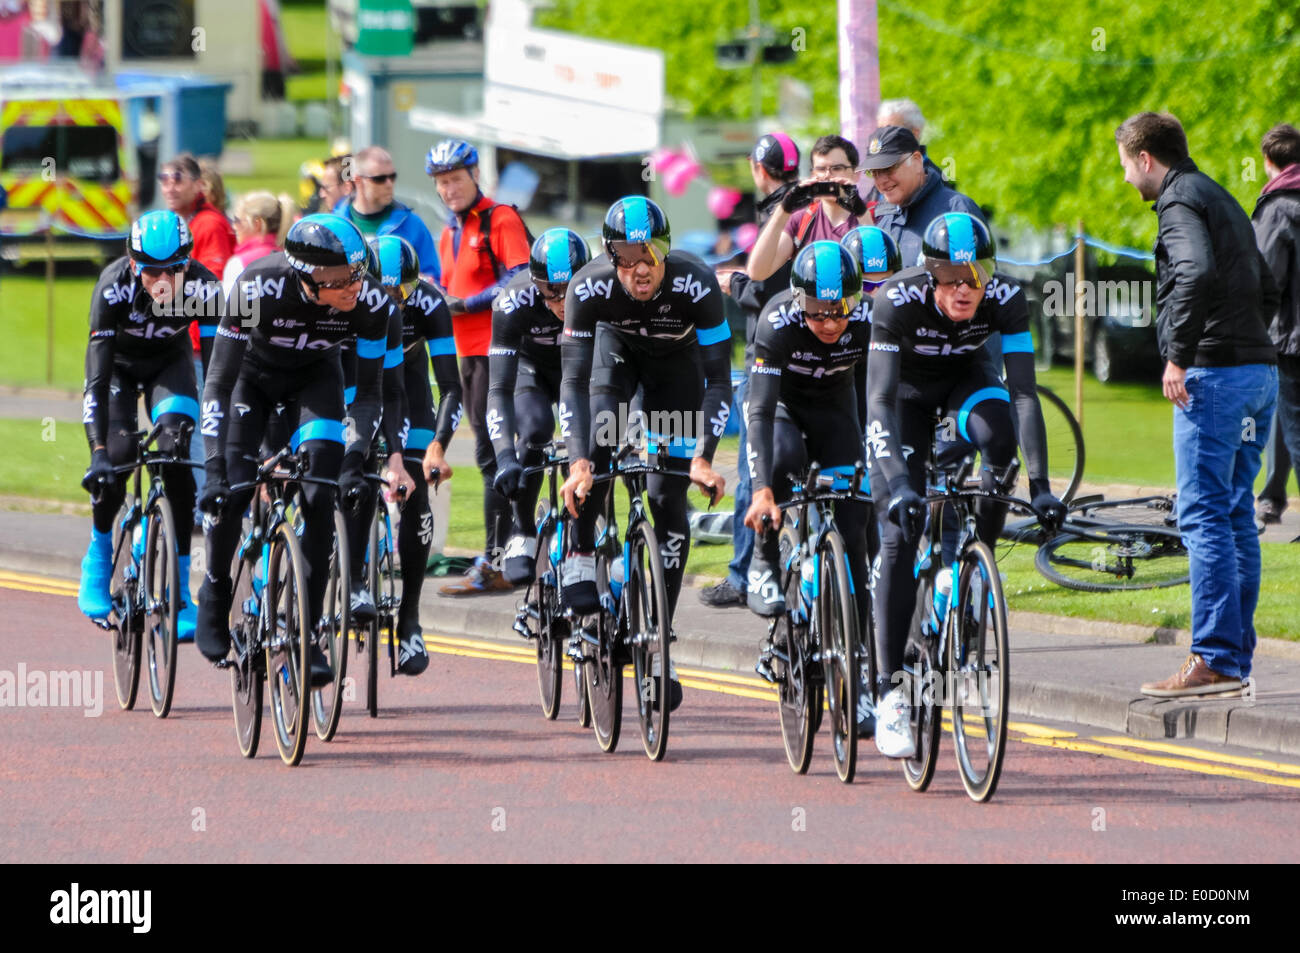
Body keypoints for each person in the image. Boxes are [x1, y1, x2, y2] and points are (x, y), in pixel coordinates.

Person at [866, 213, 1065, 758]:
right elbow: (878, 402)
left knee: (998, 439)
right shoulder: (895, 301)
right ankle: (889, 696)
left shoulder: (1006, 296)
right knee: (897, 533)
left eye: (975, 275)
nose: (965, 288)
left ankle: (977, 558)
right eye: (952, 277)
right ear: (930, 275)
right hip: (902, 396)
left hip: (964, 382)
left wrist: (1042, 485)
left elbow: (1025, 393)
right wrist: (900, 485)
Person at [195, 214, 409, 687]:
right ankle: (214, 588)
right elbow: (218, 382)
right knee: (231, 489)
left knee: (320, 494)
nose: (354, 285)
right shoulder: (258, 288)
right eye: (339, 279)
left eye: (358, 271)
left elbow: (370, 395)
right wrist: (213, 469)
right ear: (306, 276)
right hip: (252, 383)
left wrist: (355, 460)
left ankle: (307, 631)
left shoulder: (372, 303)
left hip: (316, 381)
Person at [1113, 112, 1279, 697]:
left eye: (1127, 167)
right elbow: (1267, 283)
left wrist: (1179, 354)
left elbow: (1195, 270)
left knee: (1203, 514)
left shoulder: (1178, 201)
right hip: (1258, 373)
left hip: (1214, 377)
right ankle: (1233, 660)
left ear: (1146, 159)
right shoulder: (1220, 195)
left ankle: (1211, 657)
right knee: (1235, 514)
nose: (1128, 180)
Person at [558, 196, 731, 711]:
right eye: (627, 257)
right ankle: (583, 555)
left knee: (667, 495)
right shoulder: (586, 288)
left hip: (674, 373)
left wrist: (702, 454)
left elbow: (720, 380)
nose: (640, 268)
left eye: (650, 254)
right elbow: (573, 381)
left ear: (667, 250)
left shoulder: (696, 282)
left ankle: (659, 637)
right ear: (611, 258)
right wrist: (578, 461)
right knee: (600, 448)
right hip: (616, 358)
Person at [743, 238, 898, 735]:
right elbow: (761, 412)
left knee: (855, 531)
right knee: (784, 463)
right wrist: (762, 489)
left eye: (839, 311)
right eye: (817, 312)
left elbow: (889, 396)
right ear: (798, 300)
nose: (830, 323)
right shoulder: (777, 320)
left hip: (836, 412)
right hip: (783, 408)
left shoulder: (871, 318)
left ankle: (859, 672)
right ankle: (766, 559)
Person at [78, 210, 223, 641]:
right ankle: (100, 555)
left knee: (178, 455)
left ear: (187, 265)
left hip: (169, 364)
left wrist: (222, 446)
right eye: (151, 271)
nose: (162, 281)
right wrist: (98, 452)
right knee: (118, 458)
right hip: (118, 371)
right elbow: (97, 382)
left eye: (172, 271)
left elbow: (217, 373)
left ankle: (179, 591)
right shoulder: (112, 288)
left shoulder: (204, 287)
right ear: (133, 264)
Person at [341, 236, 462, 674]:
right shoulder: (351, 294)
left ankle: (409, 618)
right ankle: (352, 578)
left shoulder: (429, 303)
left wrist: (437, 447)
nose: (394, 303)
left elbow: (450, 385)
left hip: (406, 390)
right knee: (351, 464)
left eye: (402, 294)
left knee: (412, 487)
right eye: (386, 292)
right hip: (352, 377)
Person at [426, 138, 533, 594]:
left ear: (474, 175)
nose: (449, 189)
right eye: (441, 182)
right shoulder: (450, 233)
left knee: (498, 456)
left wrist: (467, 303)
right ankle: (504, 554)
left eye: (455, 179)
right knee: (488, 456)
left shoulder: (499, 218)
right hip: (466, 355)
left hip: (501, 352)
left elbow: (523, 275)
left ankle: (497, 559)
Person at [701, 131, 801, 610]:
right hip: (807, 352)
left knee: (751, 468)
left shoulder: (784, 211)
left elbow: (765, 292)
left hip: (771, 350)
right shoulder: (804, 207)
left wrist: (733, 283)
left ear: (758, 169)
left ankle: (745, 574)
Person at [488, 227, 591, 584]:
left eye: (570, 288)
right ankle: (522, 529)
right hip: (530, 373)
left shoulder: (601, 293)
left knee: (597, 443)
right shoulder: (512, 300)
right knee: (535, 430)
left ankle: (588, 543)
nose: (562, 300)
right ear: (535, 284)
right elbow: (498, 388)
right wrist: (504, 457)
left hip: (579, 373)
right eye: (550, 291)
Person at [160, 153, 235, 516]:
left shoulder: (208, 224)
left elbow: (213, 284)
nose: (170, 185)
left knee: (205, 423)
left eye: (178, 178)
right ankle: (194, 503)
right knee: (182, 426)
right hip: (179, 343)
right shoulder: (178, 223)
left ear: (197, 184)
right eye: (164, 178)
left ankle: (208, 506)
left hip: (200, 341)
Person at [1252, 123, 1300, 531]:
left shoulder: (1277, 207)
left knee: (1293, 423)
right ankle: (1271, 496)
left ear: (1268, 163)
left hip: (1290, 339)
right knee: (1286, 421)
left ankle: (1271, 496)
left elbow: (1266, 280)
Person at [746, 134, 873, 283]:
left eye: (837, 168)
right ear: (813, 174)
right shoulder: (801, 218)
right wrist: (784, 208)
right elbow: (757, 273)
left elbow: (879, 272)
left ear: (856, 174)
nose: (828, 176)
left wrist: (860, 211)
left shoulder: (871, 214)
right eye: (821, 169)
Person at [861, 125, 986, 269]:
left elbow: (977, 281)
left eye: (888, 168)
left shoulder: (956, 211)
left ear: (916, 160)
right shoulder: (883, 219)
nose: (881, 180)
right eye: (874, 172)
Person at [334, 146, 440, 285]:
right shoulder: (336, 226)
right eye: (380, 179)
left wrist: (410, 281)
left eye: (392, 176)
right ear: (358, 180)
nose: (389, 184)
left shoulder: (412, 225)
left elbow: (434, 281)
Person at [222, 191, 292, 296]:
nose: (234, 226)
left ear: (256, 223)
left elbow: (227, 309)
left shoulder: (239, 263)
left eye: (237, 220)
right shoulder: (292, 259)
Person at [876, 98, 945, 183]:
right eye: (880, 131)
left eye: (890, 131)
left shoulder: (930, 178)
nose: (882, 138)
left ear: (914, 134)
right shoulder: (882, 172)